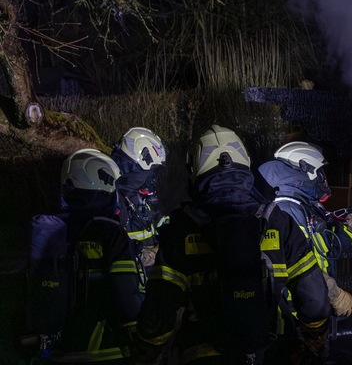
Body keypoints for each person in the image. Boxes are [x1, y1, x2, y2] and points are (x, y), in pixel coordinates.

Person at [132, 125, 331, 365]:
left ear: (195, 168)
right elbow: (314, 297)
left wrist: (146, 349)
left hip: (202, 354)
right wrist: (315, 337)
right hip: (269, 352)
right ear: (244, 160)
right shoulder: (277, 221)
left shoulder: (183, 229)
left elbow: (160, 309)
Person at [25, 148, 142, 363]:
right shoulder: (110, 231)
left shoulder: (54, 228)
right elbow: (126, 295)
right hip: (103, 347)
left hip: (58, 349)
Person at [258, 141, 352, 321]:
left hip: (313, 308)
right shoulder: (287, 211)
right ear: (307, 171)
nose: (323, 179)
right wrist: (336, 295)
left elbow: (336, 244)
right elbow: (302, 265)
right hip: (297, 317)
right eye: (320, 173)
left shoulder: (303, 208)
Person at [110, 126, 168, 286]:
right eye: (151, 171)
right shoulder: (114, 200)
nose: (152, 178)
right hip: (129, 288)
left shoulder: (139, 198)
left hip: (148, 287)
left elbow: (157, 229)